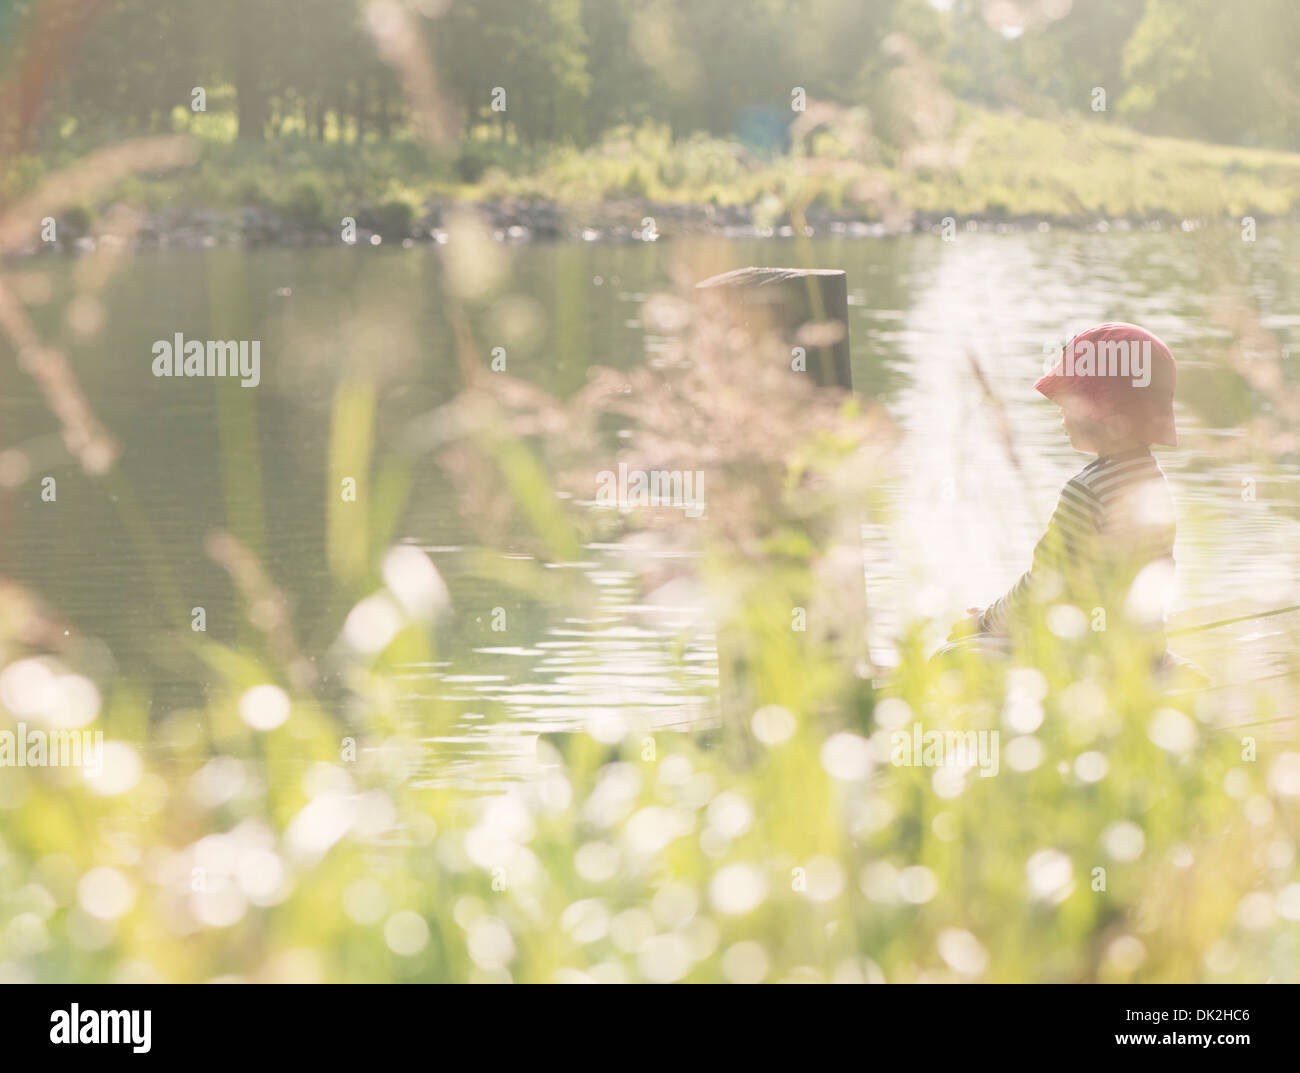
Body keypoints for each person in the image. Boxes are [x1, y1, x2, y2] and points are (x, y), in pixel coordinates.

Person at [940, 322, 1195, 678]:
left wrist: (985, 621)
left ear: (1104, 407)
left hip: (1087, 660)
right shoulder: (1153, 481)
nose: (1060, 409)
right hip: (1142, 652)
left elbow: (1041, 586)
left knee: (949, 658)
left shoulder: (1087, 489)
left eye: (1071, 398)